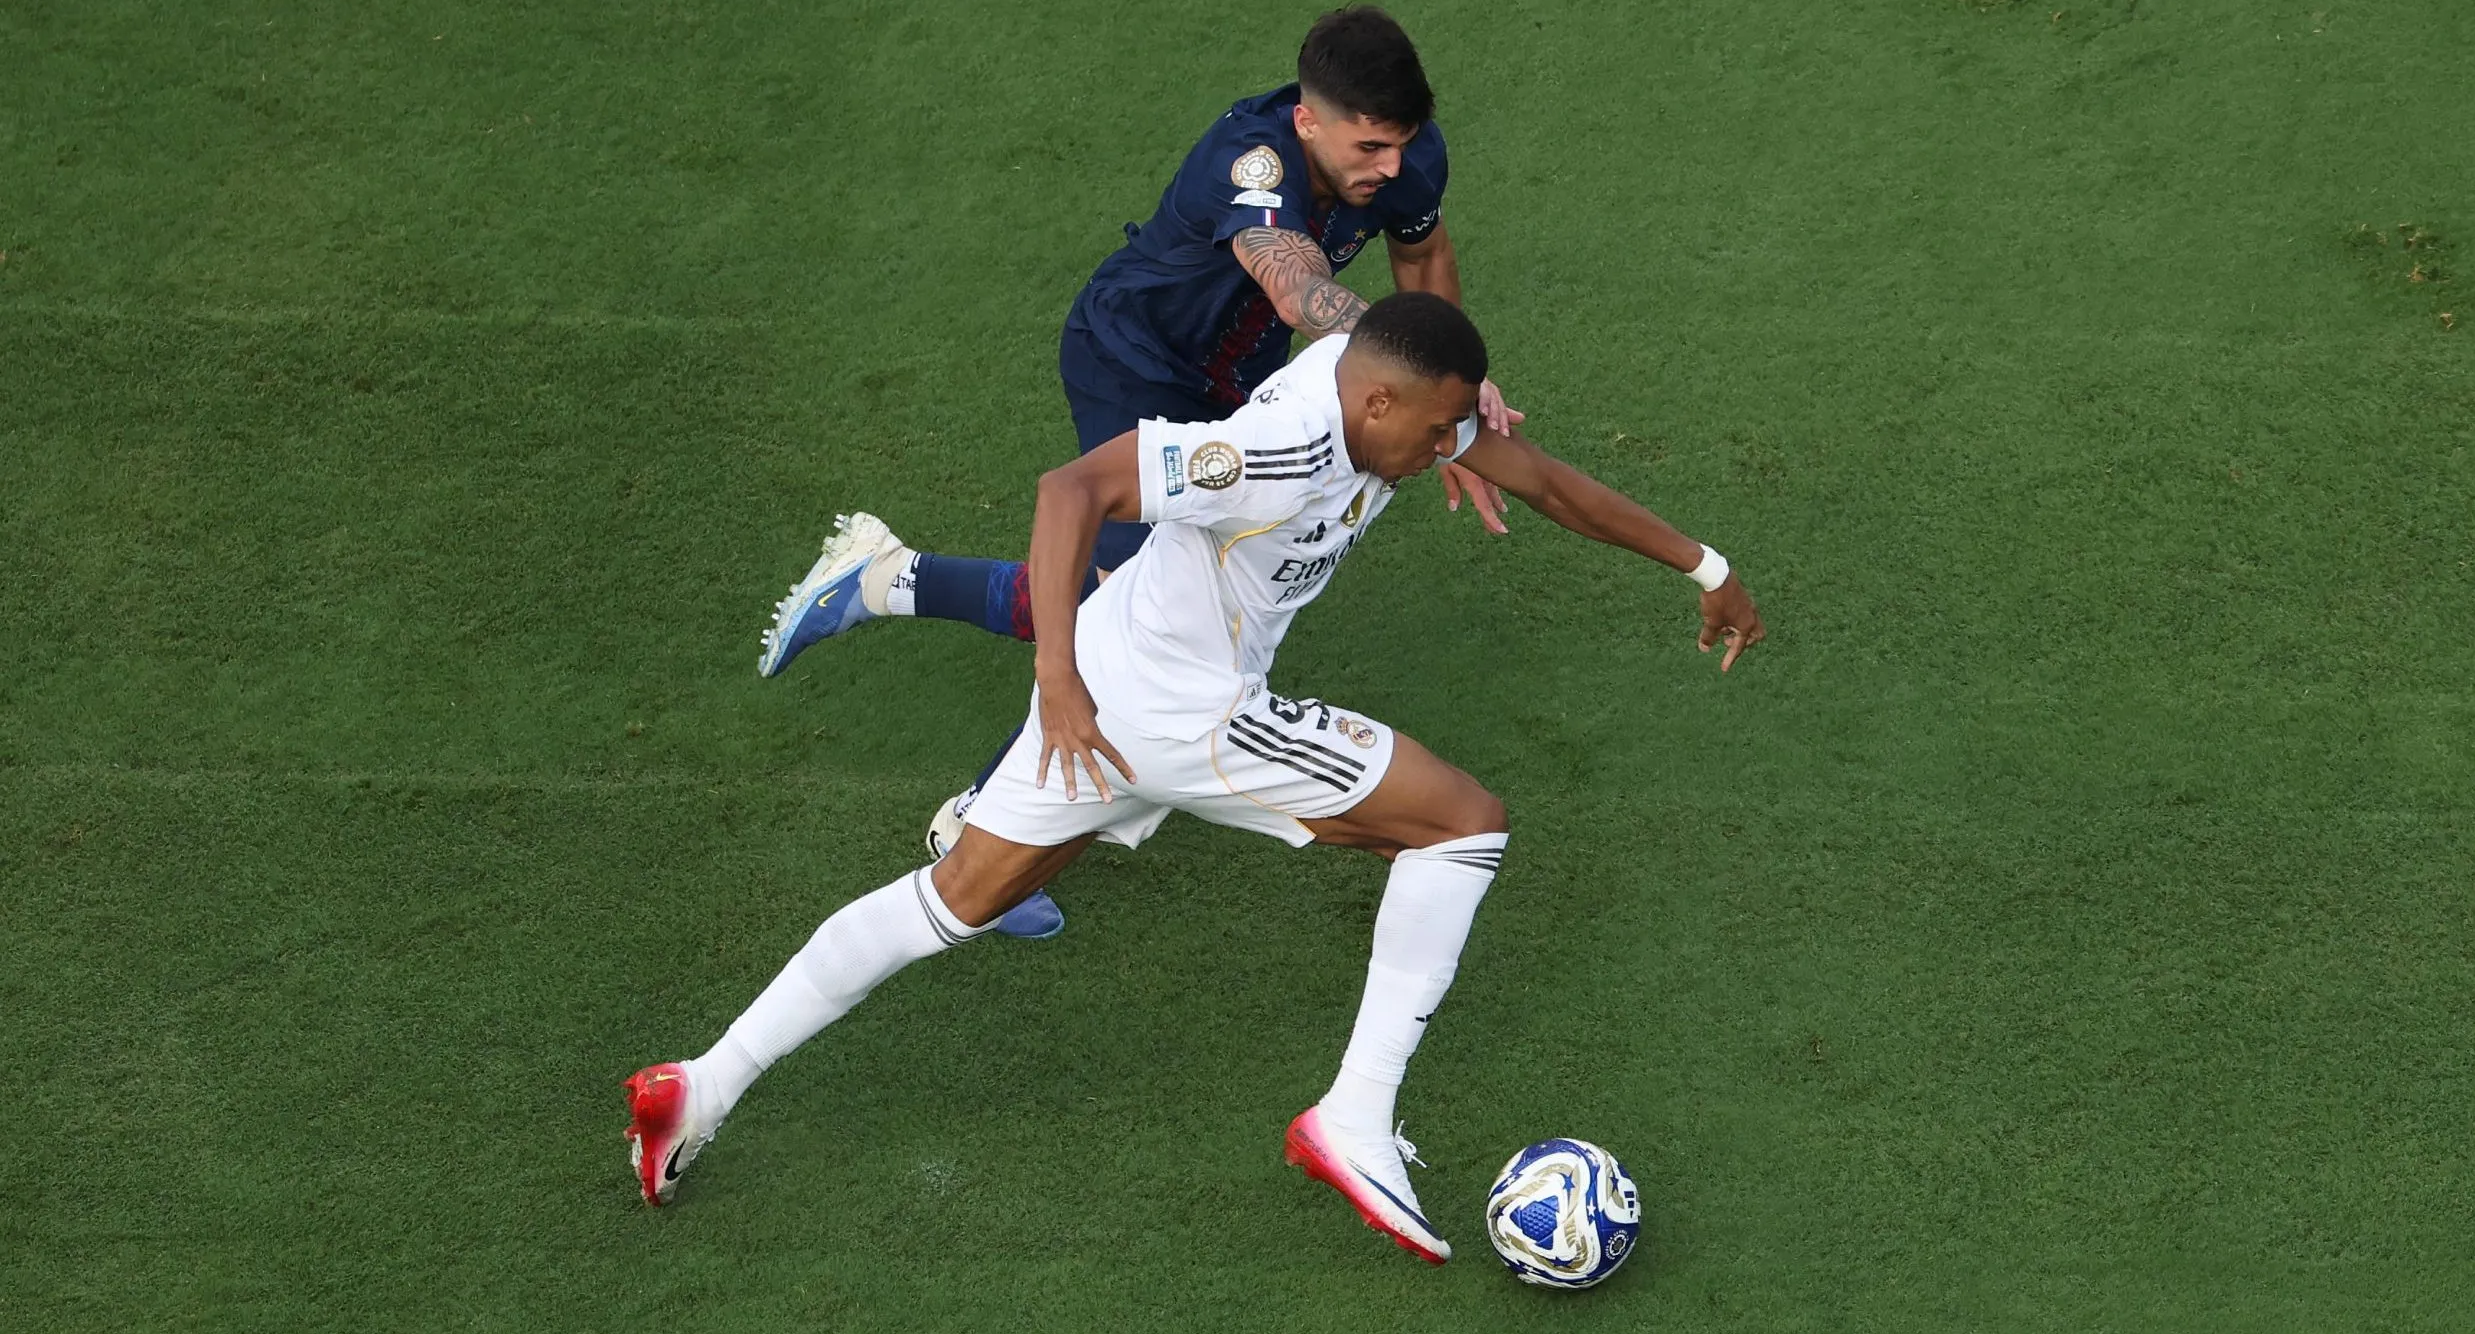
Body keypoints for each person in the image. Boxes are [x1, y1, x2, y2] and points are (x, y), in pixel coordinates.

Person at [626, 293, 1765, 1265]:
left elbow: (1543, 479)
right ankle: (1353, 1116)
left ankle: (703, 1083)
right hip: (1180, 710)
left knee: (952, 899)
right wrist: (1052, 676)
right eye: (1432, 435)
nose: (1444, 456)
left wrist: (1704, 565)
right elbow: (1071, 489)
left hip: (1123, 674)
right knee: (1461, 825)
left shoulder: (1390, 395)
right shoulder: (1274, 451)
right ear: (1375, 403)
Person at [752, 7, 1523, 939]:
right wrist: (1423, 377)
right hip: (1133, 363)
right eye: (1370, 147)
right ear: (1308, 121)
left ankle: (886, 578)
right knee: (1113, 596)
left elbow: (1423, 253)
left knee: (1135, 596)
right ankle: (975, 809)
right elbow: (1295, 290)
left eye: (1400, 144)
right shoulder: (1252, 164)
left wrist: (1449, 390)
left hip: (1233, 386)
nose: (1390, 167)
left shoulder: (1405, 157)